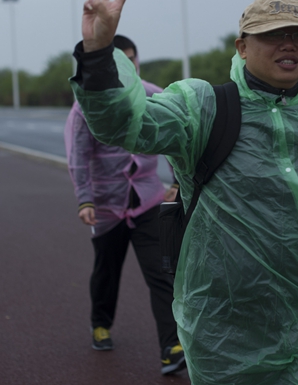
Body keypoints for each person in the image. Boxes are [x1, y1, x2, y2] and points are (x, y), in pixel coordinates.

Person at [70, 0, 298, 385]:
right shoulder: (203, 106)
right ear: (242, 47)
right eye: (273, 35)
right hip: (229, 334)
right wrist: (98, 52)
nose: (289, 44)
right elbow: (123, 125)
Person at [64, 34, 186, 375]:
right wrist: (84, 199)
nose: (128, 65)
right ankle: (100, 324)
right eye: (121, 60)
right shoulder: (86, 106)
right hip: (106, 205)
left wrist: (177, 182)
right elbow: (78, 156)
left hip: (148, 200)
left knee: (163, 271)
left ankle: (171, 346)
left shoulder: (154, 94)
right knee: (107, 270)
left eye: (132, 59)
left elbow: (178, 137)